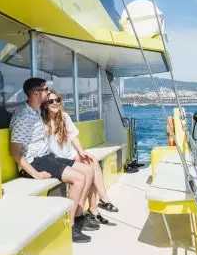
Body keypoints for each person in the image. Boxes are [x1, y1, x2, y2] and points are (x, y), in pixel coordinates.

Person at [9, 78, 98, 243]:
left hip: (47, 157)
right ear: (36, 93)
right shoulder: (24, 116)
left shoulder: (35, 111)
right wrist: (35, 174)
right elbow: (15, 151)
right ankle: (69, 227)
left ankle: (78, 217)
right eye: (45, 89)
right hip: (36, 162)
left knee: (87, 170)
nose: (48, 91)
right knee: (79, 178)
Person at [41, 90, 118, 225]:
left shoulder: (64, 117)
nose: (55, 103)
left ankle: (102, 201)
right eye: (50, 101)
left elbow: (73, 137)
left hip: (69, 153)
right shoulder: (41, 121)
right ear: (45, 104)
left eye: (57, 100)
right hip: (57, 158)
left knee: (92, 161)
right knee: (87, 171)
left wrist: (81, 151)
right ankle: (92, 209)